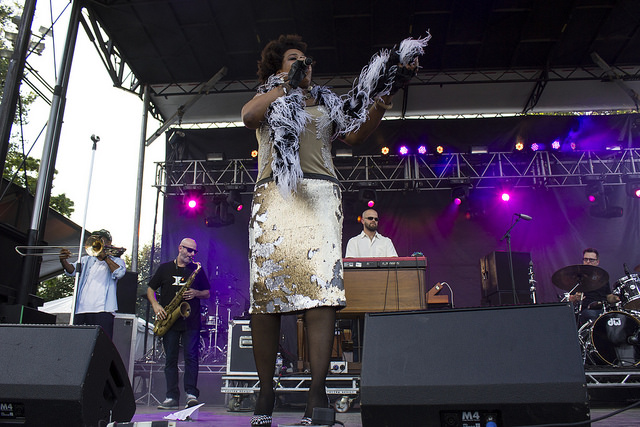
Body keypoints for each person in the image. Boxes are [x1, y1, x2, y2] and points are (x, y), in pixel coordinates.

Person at [241, 33, 428, 426]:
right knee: (266, 297)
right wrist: (285, 87)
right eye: (294, 58)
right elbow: (249, 117)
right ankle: (265, 391)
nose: (304, 64)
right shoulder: (268, 97)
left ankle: (317, 393)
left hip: (321, 198)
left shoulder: (327, 103)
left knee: (321, 297)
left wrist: (382, 99)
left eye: (306, 59)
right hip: (274, 197)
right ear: (278, 67)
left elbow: (356, 134)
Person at [147, 238, 210, 410]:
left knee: (191, 357)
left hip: (191, 320)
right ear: (180, 248)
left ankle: (191, 394)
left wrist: (196, 293)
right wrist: (156, 305)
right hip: (169, 320)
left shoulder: (196, 269)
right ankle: (171, 397)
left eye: (194, 251)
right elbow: (150, 289)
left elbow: (207, 293)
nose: (192, 254)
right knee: (171, 359)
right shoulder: (165, 268)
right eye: (189, 250)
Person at [59, 229, 126, 339]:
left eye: (101, 240)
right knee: (77, 341)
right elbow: (72, 271)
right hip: (81, 309)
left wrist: (105, 258)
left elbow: (119, 273)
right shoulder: (86, 259)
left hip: (103, 310)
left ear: (109, 243)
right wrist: (63, 261)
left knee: (101, 343)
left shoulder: (117, 261)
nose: (97, 242)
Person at [569, 248, 619, 325]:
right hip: (587, 309)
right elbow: (570, 299)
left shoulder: (603, 277)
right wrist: (575, 297)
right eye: (586, 259)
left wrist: (616, 298)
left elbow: (608, 296)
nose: (588, 262)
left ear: (597, 262)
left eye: (591, 260)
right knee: (591, 315)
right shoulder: (578, 278)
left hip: (604, 308)